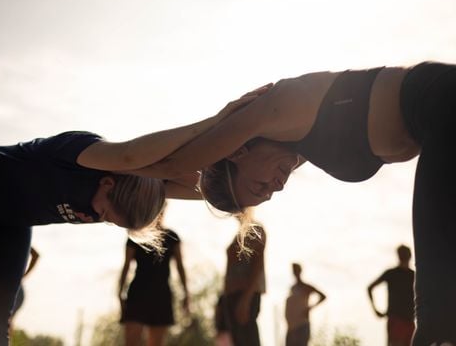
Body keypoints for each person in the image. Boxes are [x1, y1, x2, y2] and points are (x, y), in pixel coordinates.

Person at [139, 61, 455, 345]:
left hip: (442, 106)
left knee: (437, 316)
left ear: (237, 152)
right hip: (439, 121)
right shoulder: (297, 149)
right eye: (267, 193)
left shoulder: (280, 111)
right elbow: (181, 181)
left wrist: (110, 171)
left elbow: (170, 166)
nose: (275, 187)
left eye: (260, 185)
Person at [0, 93, 265, 346]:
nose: (101, 219)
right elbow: (129, 156)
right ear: (108, 185)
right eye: (108, 215)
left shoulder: (139, 187)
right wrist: (216, 121)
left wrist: (246, 190)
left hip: (12, 221)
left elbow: (205, 187)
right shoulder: (82, 153)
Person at [118, 204, 189, 346]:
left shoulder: (172, 237)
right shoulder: (136, 235)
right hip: (138, 293)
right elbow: (126, 266)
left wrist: (186, 293)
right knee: (131, 341)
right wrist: (119, 292)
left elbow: (180, 266)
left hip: (161, 294)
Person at [221, 215, 266, 346]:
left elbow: (257, 266)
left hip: (244, 295)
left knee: (247, 338)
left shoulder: (255, 230)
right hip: (232, 295)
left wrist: (246, 299)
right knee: (238, 340)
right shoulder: (239, 234)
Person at [367, 245, 415, 346]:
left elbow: (370, 288)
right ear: (410, 256)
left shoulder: (412, 275)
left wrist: (376, 310)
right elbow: (370, 288)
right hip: (397, 319)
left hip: (408, 320)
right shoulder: (395, 274)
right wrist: (375, 310)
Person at [285, 263, 326, 346]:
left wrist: (310, 308)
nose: (295, 272)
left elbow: (323, 296)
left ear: (300, 271)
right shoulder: (292, 288)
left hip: (301, 325)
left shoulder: (306, 287)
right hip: (291, 326)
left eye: (296, 270)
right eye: (293, 270)